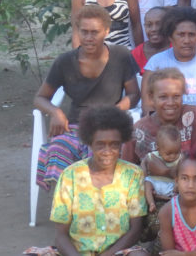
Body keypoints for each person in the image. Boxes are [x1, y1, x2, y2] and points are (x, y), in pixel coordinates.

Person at [34, 5, 140, 189]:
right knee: (58, 147)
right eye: (84, 32)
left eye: (95, 32)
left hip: (109, 125)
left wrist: (115, 112)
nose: (89, 38)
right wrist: (56, 112)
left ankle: (98, 202)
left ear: (106, 31)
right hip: (76, 125)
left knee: (102, 152)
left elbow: (134, 94)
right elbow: (40, 98)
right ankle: (69, 202)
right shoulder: (65, 61)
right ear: (77, 31)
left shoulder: (121, 56)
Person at [49, 106, 147, 256]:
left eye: (114, 144)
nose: (107, 151)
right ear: (90, 143)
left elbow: (135, 230)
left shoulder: (133, 175)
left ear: (121, 143)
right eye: (100, 144)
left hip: (117, 252)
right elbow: (60, 235)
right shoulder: (70, 175)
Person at [142, 7, 196, 141]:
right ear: (170, 36)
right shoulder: (156, 63)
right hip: (163, 127)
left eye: (191, 34)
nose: (187, 40)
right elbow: (147, 105)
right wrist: (169, 128)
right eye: (181, 34)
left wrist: (194, 124)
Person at [122, 68, 196, 178]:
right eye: (163, 97)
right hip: (151, 193)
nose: (170, 103)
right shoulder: (139, 130)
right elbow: (126, 174)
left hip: (194, 192)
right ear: (151, 97)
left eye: (176, 96)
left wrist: (166, 172)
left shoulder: (194, 117)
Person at [142, 124, 183, 214]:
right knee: (146, 184)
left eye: (176, 152)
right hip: (155, 183)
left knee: (181, 185)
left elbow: (182, 172)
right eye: (169, 153)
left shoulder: (181, 158)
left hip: (171, 185)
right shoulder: (152, 156)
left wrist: (177, 184)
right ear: (158, 148)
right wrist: (144, 175)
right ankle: (151, 203)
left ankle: (172, 200)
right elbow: (143, 163)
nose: (173, 156)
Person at [131, 6, 169, 73]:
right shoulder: (136, 53)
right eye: (149, 25)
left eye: (159, 24)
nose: (154, 29)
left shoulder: (176, 49)